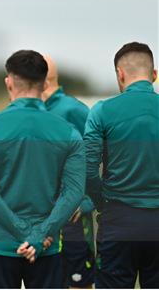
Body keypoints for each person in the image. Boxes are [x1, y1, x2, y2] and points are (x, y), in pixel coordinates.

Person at [0, 50, 85, 288]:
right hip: (48, 247)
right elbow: (73, 192)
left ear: (8, 82)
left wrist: (24, 232)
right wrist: (39, 235)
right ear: (44, 84)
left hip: (0, 245)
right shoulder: (69, 133)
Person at [84, 42, 159, 288]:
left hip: (119, 219)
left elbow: (88, 169)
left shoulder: (102, 111)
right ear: (154, 75)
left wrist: (101, 202)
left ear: (120, 74)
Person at [42, 55, 95, 288]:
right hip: (37, 220)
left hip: (71, 222)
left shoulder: (73, 110)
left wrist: (88, 199)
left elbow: (104, 156)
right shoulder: (29, 112)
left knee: (77, 284)